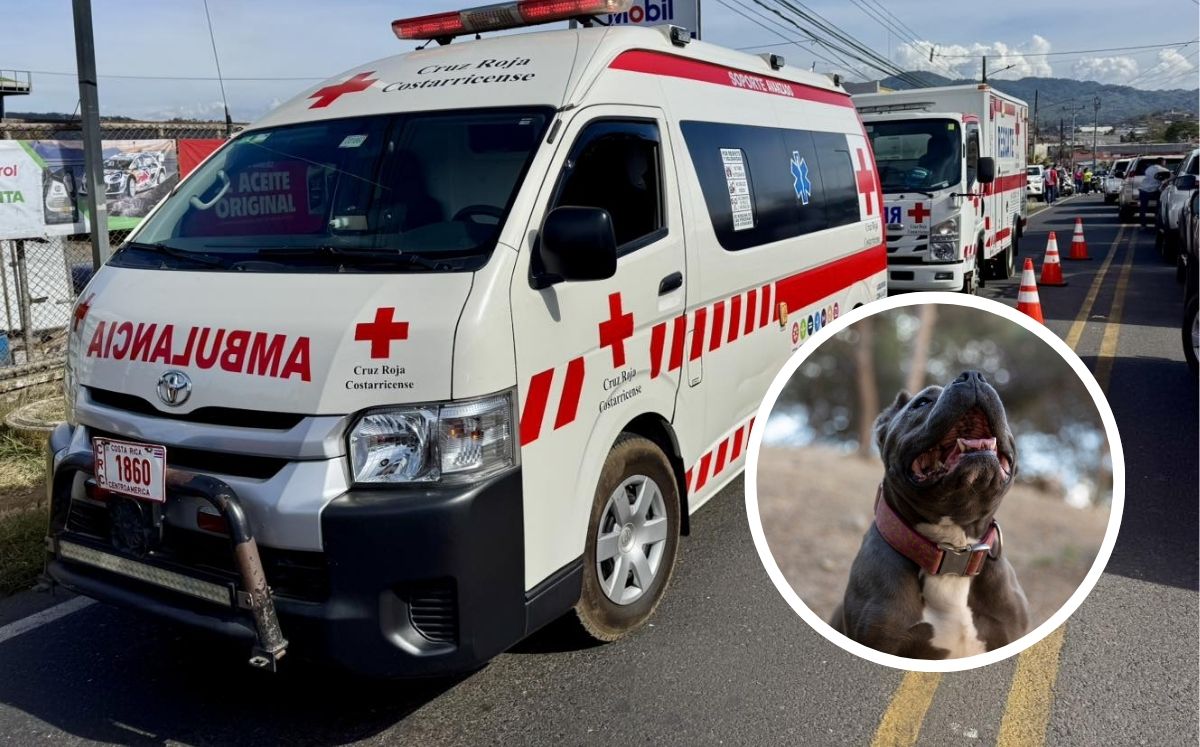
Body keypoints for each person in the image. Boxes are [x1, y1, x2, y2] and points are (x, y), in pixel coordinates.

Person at [1139, 157, 1169, 228]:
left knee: (1143, 208)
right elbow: (1168, 179)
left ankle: (1142, 225)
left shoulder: (1149, 168)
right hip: (1155, 190)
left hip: (1144, 189)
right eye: (1164, 162)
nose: (1165, 164)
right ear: (1161, 162)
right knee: (1159, 207)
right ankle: (1157, 223)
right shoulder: (1163, 170)